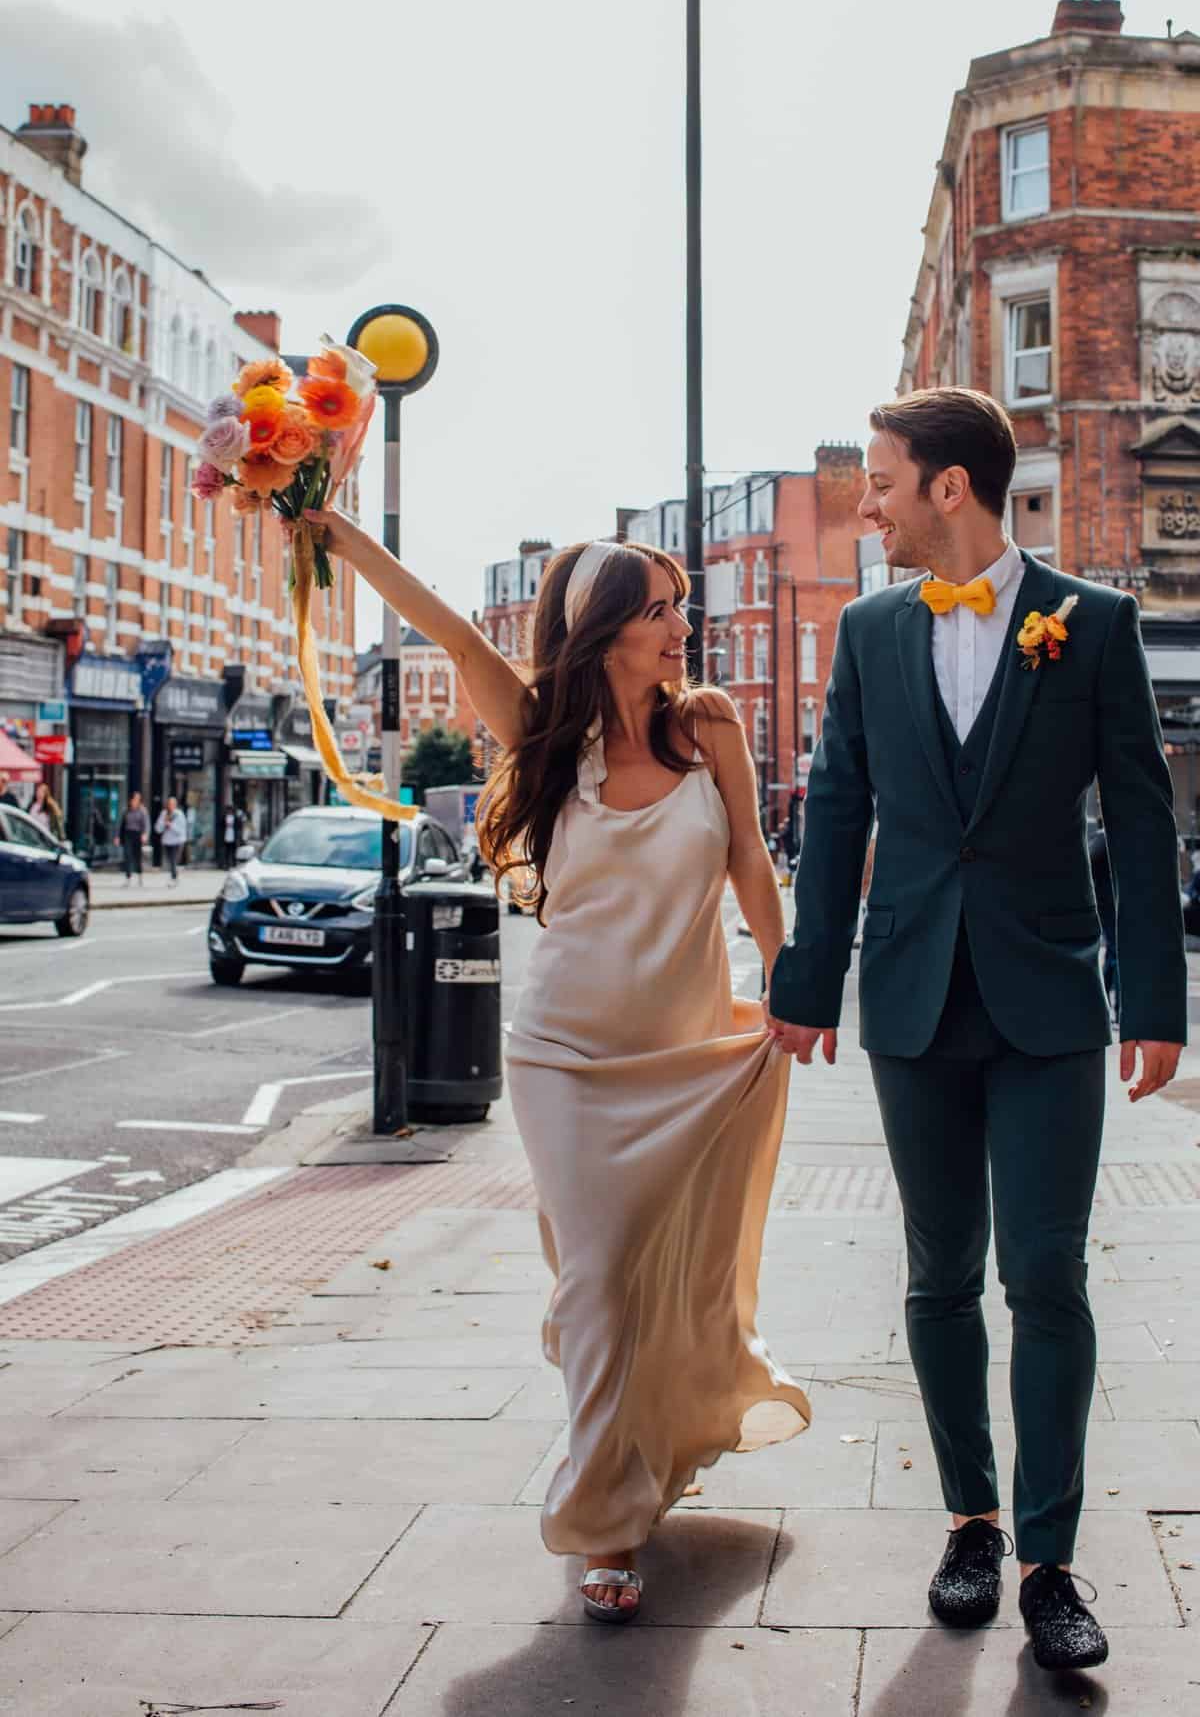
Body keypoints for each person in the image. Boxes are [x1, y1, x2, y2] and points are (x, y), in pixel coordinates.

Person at [300, 507, 810, 1624]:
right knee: (599, 1276)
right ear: (608, 630)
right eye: (662, 608)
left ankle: (642, 1446)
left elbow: (753, 870)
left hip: (685, 1051)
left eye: (683, 604)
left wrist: (790, 979)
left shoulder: (711, 727)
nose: (685, 624)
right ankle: (604, 1522)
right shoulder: (542, 735)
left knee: (650, 1278)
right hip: (564, 1058)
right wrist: (345, 540)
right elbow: (447, 628)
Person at [767, 387, 1186, 1676]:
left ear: (951, 486)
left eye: (882, 481)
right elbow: (836, 805)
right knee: (939, 1276)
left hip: (1050, 999)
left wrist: (1157, 1003)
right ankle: (971, 1522)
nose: (868, 504)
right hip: (908, 996)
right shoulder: (871, 632)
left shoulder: (1093, 623)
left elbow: (1141, 815)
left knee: (1046, 1276)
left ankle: (1052, 1564)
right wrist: (806, 976)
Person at [1088, 817, 1119, 1018]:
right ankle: (1114, 1006)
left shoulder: (1102, 841)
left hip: (1110, 906)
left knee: (1112, 956)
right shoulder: (1103, 840)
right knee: (1115, 955)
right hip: (1108, 907)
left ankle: (1109, 1003)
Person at [155, 796, 187, 883]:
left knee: (173, 859)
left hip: (177, 841)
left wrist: (171, 825)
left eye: (172, 804)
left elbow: (181, 829)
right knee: (170, 860)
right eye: (169, 804)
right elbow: (157, 828)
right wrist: (164, 824)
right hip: (167, 841)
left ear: (175, 805)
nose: (170, 806)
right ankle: (175, 876)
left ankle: (173, 878)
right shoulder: (163, 814)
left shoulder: (179, 814)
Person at [120, 792, 150, 885]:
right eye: (134, 799)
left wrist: (145, 834)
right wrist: (118, 836)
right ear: (131, 800)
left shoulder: (142, 811)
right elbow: (122, 825)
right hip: (128, 834)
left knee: (138, 857)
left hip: (138, 835)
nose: (135, 801)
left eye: (137, 799)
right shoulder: (126, 811)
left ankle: (140, 876)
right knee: (127, 855)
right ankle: (128, 878)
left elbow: (146, 824)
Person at [220, 803, 243, 870]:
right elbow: (221, 826)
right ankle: (226, 865)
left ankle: (234, 864)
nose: (229, 812)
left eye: (230, 810)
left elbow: (239, 826)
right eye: (228, 810)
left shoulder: (236, 817)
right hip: (226, 836)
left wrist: (238, 835)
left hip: (233, 836)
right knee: (226, 852)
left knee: (233, 852)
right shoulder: (224, 817)